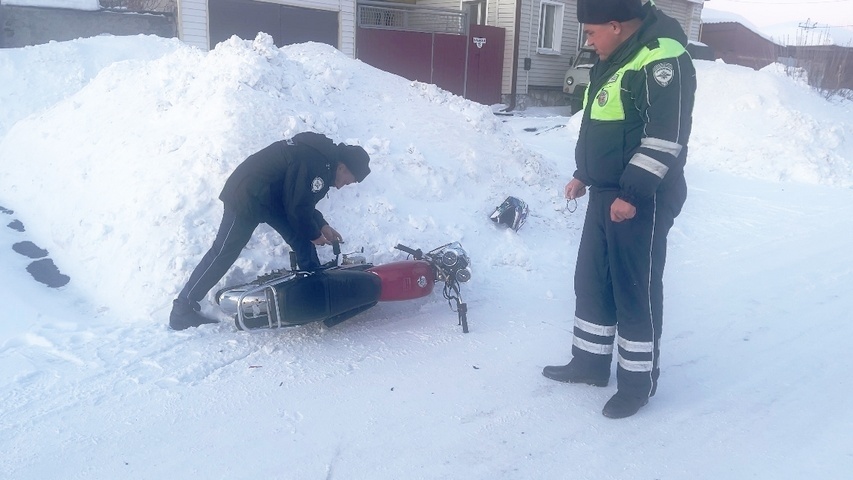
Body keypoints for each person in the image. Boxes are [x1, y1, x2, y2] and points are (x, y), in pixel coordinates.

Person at [543, 0, 696, 419]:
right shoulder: (616, 58)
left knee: (633, 288)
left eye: (592, 33)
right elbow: (606, 125)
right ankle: (590, 364)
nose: (589, 42)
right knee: (593, 279)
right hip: (606, 192)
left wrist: (632, 193)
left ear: (615, 25)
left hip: (641, 197)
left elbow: (666, 136)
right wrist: (584, 173)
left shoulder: (662, 59)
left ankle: (636, 385)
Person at [169, 132, 371, 331]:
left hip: (270, 197)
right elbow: (297, 208)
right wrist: (314, 233)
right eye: (347, 181)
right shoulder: (317, 164)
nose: (341, 187)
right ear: (342, 167)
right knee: (224, 251)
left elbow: (302, 201)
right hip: (247, 194)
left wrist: (322, 225)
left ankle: (315, 290)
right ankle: (182, 309)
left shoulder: (323, 162)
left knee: (301, 238)